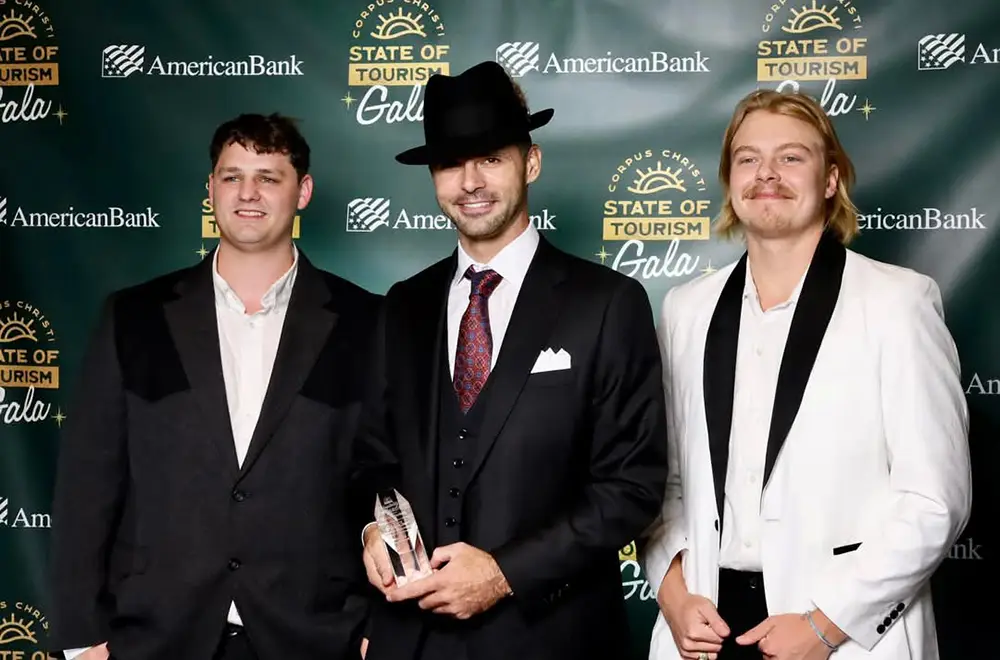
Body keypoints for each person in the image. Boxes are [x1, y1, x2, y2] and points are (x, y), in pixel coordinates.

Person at [639, 88, 973, 660]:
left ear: (830, 180)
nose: (766, 174)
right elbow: (663, 484)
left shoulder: (898, 302)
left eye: (791, 157)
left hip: (840, 633)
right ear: (730, 182)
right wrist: (673, 594)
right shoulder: (684, 309)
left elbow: (933, 500)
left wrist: (825, 624)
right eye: (748, 159)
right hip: (706, 629)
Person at [351, 61, 669, 660]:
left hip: (551, 639)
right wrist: (373, 530)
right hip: (412, 643)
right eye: (450, 163)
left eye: (491, 158)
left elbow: (632, 487)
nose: (470, 181)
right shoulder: (402, 306)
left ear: (531, 162)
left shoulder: (607, 304)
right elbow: (371, 459)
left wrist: (502, 574)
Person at [49, 113, 381, 660]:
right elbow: (87, 486)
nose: (248, 193)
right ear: (210, 189)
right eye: (232, 177)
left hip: (315, 637)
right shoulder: (133, 318)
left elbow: (387, 478)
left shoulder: (368, 323)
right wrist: (81, 638)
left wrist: (379, 625)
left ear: (304, 192)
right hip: (156, 637)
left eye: (269, 177)